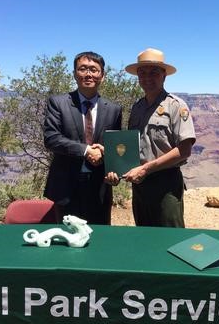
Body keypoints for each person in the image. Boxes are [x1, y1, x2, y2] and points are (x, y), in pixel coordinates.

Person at [107, 48, 195, 228]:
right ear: (138, 77)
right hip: (140, 184)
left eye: (154, 72)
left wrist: (146, 169)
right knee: (144, 236)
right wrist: (116, 168)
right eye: (143, 73)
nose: (148, 78)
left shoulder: (176, 106)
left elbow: (184, 150)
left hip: (166, 184)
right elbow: (131, 146)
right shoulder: (137, 107)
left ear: (164, 75)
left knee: (170, 237)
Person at [44, 51, 122, 224]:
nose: (88, 74)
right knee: (66, 239)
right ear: (74, 74)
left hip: (99, 188)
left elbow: (116, 146)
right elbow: (51, 138)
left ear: (102, 75)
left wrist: (113, 165)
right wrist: (86, 150)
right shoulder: (58, 103)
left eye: (94, 70)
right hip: (66, 187)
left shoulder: (114, 109)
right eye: (83, 69)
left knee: (100, 239)